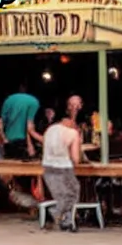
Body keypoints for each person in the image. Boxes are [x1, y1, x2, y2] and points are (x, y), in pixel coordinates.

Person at [42, 96, 83, 232]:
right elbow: (76, 159)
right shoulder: (73, 133)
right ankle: (56, 213)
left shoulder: (50, 130)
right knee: (73, 193)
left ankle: (65, 220)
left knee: (61, 196)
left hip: (48, 167)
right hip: (64, 167)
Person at [1, 84, 42, 159]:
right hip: (23, 143)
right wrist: (30, 145)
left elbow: (1, 122)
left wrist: (3, 138)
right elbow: (29, 126)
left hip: (8, 141)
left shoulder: (8, 100)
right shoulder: (33, 101)